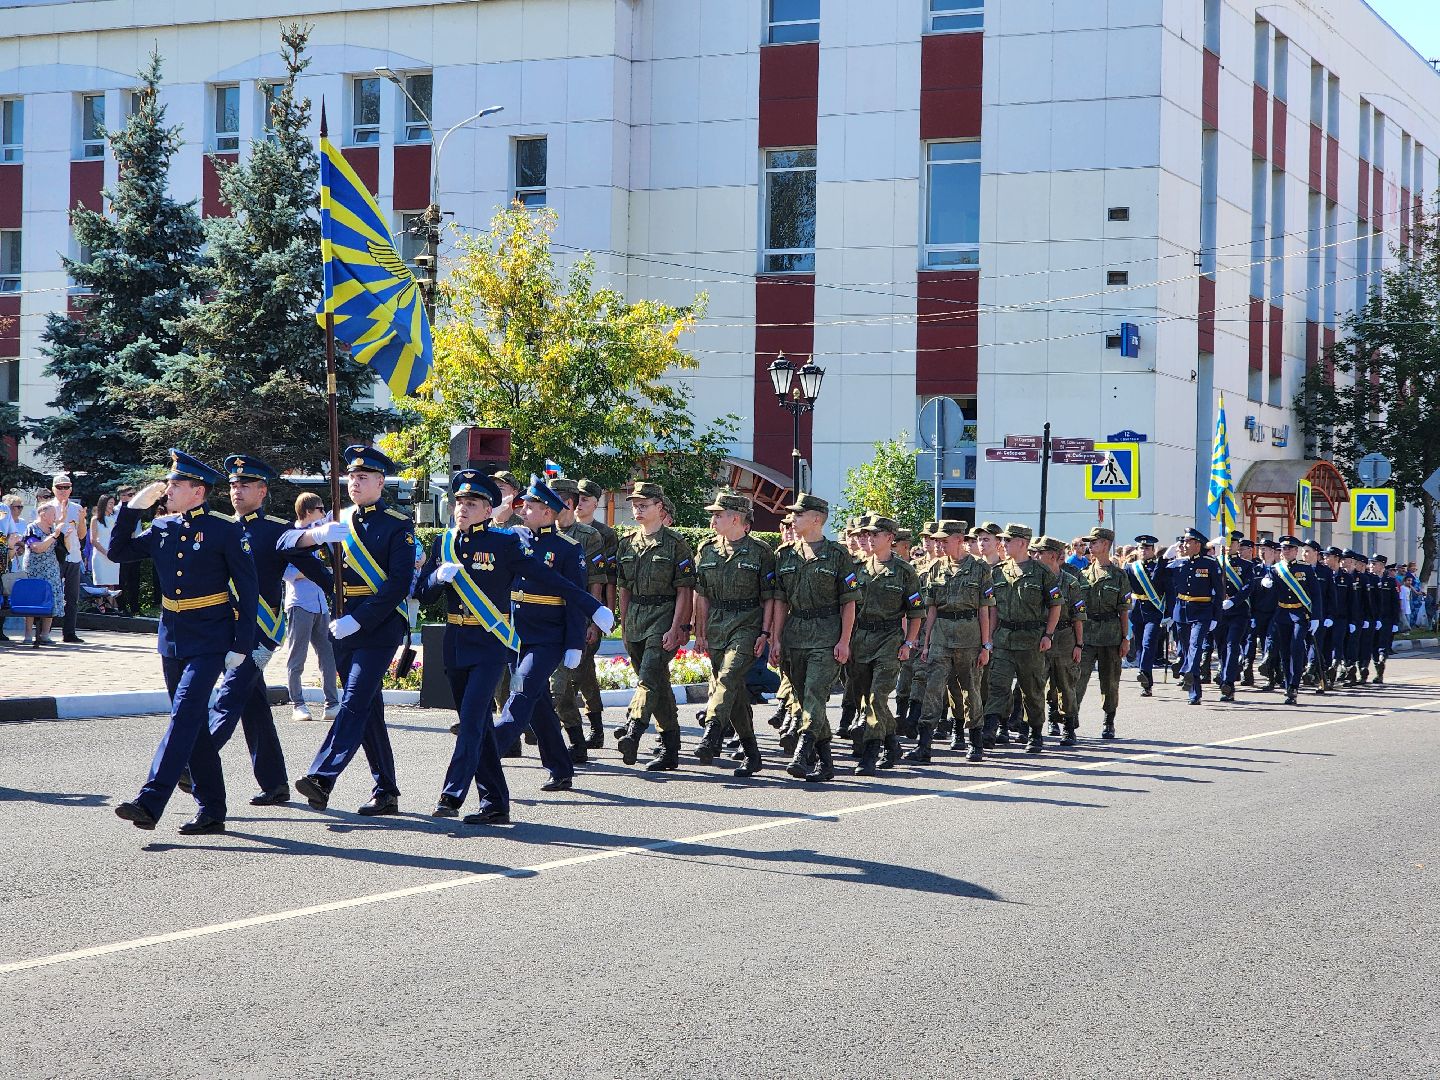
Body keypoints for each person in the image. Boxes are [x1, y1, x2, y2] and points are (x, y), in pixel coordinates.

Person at [416, 470, 607, 824]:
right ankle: (509, 796)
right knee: (508, 715)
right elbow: (422, 592)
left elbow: (554, 581)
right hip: (474, 641)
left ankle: (451, 794)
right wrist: (435, 579)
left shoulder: (517, 545)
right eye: (459, 502)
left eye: (471, 503)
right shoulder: (447, 541)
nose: (462, 509)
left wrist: (587, 614)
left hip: (514, 642)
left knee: (486, 715)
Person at [110, 450, 258, 834]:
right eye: (170, 483)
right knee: (194, 724)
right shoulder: (162, 527)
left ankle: (150, 800)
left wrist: (241, 645)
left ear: (198, 492)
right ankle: (212, 808)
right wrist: (131, 510)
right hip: (173, 637)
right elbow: (118, 552)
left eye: (176, 485)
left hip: (211, 635)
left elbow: (249, 588)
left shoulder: (225, 530)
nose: (169, 490)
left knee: (184, 714)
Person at [283, 445, 414, 816]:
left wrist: (363, 617)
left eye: (363, 477)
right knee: (368, 711)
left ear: (380, 482)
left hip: (380, 624)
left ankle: (323, 776)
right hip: (341, 625)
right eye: (351, 477)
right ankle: (386, 791)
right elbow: (287, 548)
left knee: (354, 699)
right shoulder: (338, 521)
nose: (355, 483)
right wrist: (316, 537)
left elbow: (399, 582)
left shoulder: (397, 523)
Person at [199, 455, 334, 807]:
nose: (236, 491)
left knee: (230, 696)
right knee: (254, 704)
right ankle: (275, 784)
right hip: (228, 630)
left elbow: (313, 562)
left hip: (261, 635)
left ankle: (193, 763)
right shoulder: (223, 527)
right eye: (232, 485)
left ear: (262, 491)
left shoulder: (275, 529)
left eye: (245, 485)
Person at [490, 475, 598, 792]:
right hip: (515, 636)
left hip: (546, 638)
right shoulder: (514, 538)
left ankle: (488, 748)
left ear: (548, 512)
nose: (523, 511)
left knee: (521, 693)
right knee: (538, 705)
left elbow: (576, 598)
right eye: (522, 505)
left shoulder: (567, 549)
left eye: (530, 506)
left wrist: (574, 644)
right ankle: (561, 768)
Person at [771, 492, 860, 782]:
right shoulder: (784, 555)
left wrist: (844, 640)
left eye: (799, 515)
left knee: (814, 694)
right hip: (795, 635)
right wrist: (776, 638)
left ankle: (803, 750)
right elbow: (780, 601)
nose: (793, 520)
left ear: (816, 519)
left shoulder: (837, 555)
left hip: (826, 633)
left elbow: (849, 601)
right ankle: (827, 762)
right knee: (804, 697)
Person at [614, 481, 696, 771]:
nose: (637, 509)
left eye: (644, 505)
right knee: (657, 682)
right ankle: (671, 747)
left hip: (663, 616)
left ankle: (633, 731)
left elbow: (685, 590)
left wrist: (678, 627)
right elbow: (623, 587)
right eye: (635, 505)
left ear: (660, 508)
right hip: (636, 617)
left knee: (648, 677)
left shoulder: (676, 544)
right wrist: (624, 626)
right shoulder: (626, 543)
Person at [844, 515, 923, 774]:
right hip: (861, 639)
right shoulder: (857, 567)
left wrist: (909, 642)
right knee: (868, 699)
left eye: (875, 534)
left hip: (889, 639)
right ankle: (891, 742)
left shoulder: (905, 571)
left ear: (890, 538)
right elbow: (847, 605)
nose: (868, 538)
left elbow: (915, 612)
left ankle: (870, 753)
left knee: (878, 697)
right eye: (866, 534)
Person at [912, 519, 992, 764]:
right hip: (941, 637)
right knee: (933, 690)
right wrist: (925, 643)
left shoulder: (980, 569)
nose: (940, 545)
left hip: (969, 636)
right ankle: (924, 745)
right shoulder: (936, 567)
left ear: (959, 539)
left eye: (944, 541)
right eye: (938, 541)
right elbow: (931, 609)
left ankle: (975, 742)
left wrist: (986, 645)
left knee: (971, 691)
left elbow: (984, 609)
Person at [981, 524, 1061, 753]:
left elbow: (1056, 605)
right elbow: (993, 609)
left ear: (1023, 543)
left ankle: (1035, 732)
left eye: (1008, 540)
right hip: (1004, 638)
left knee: (1032, 689)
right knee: (997, 685)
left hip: (1031, 640)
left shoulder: (1041, 572)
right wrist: (990, 638)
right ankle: (990, 728)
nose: (1003, 544)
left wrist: (1048, 634)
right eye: (1003, 540)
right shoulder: (998, 572)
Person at [546, 477, 607, 762]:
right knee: (566, 683)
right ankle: (576, 738)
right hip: (548, 618)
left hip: (578, 617)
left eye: (553, 501)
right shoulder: (543, 533)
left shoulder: (588, 536)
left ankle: (527, 728)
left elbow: (595, 581)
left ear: (567, 504)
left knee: (567, 681)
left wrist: (593, 620)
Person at [282, 492, 341, 722]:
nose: (323, 513)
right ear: (308, 512)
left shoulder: (318, 537)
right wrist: (318, 570)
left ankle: (332, 703)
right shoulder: (292, 537)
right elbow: (288, 573)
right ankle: (298, 704)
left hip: (319, 605)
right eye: (320, 509)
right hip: (300, 604)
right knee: (297, 657)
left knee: (328, 656)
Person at [574, 478, 619, 747]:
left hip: (591, 610)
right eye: (576, 498)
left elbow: (607, 579)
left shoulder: (603, 534)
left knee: (580, 670)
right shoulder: (561, 527)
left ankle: (589, 727)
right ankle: (596, 726)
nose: (580, 504)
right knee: (584, 670)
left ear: (596, 503)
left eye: (585, 500)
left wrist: (605, 616)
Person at [1076, 526, 1131, 739]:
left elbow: (1123, 610)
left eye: (1094, 542)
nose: (1090, 546)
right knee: (1077, 679)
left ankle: (1109, 720)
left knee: (1110, 681)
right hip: (1087, 634)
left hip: (1110, 635)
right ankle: (1071, 719)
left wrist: (1125, 638)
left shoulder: (1119, 576)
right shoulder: (1083, 575)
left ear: (1106, 545)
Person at [1264, 536, 1324, 705]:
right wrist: (1266, 583)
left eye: (1290, 548)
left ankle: (1294, 686)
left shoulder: (1305, 569)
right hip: (1282, 613)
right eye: (1284, 548)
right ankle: (1288, 683)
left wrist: (1316, 618)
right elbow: (1271, 593)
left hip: (1300, 614)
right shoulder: (1276, 569)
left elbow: (1316, 594)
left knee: (1296, 647)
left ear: (1296, 551)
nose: (1287, 551)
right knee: (1284, 651)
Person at [1126, 535, 1167, 696]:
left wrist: (1168, 613)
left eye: (1147, 548)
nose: (1143, 551)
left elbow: (1167, 589)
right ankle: (1146, 683)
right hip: (1136, 611)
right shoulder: (1130, 568)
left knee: (1149, 643)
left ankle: (1144, 672)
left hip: (1154, 611)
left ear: (1152, 550)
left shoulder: (1159, 567)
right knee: (1140, 647)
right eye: (1141, 548)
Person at [20, 501, 65, 646]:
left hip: (51, 569)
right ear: (43, 514)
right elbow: (37, 548)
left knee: (50, 597)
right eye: (53, 514)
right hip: (34, 569)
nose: (55, 516)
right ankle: (28, 634)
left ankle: (45, 634)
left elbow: (64, 549)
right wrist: (54, 536)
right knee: (31, 600)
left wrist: (66, 536)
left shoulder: (53, 528)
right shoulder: (31, 528)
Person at [49, 473, 86, 643]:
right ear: (53, 489)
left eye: (66, 487)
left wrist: (83, 520)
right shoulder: (47, 507)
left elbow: (81, 535)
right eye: (60, 487)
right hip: (54, 557)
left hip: (74, 555)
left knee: (72, 597)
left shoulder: (77, 508)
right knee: (51, 594)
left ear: (71, 489)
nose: (63, 490)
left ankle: (69, 632)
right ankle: (44, 631)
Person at [88, 494, 121, 613]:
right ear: (104, 504)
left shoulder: (114, 519)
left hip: (113, 555)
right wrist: (105, 552)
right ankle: (101, 608)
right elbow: (93, 540)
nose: (112, 506)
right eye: (110, 503)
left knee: (111, 584)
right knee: (101, 583)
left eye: (113, 503)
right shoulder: (96, 519)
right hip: (101, 555)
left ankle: (111, 608)